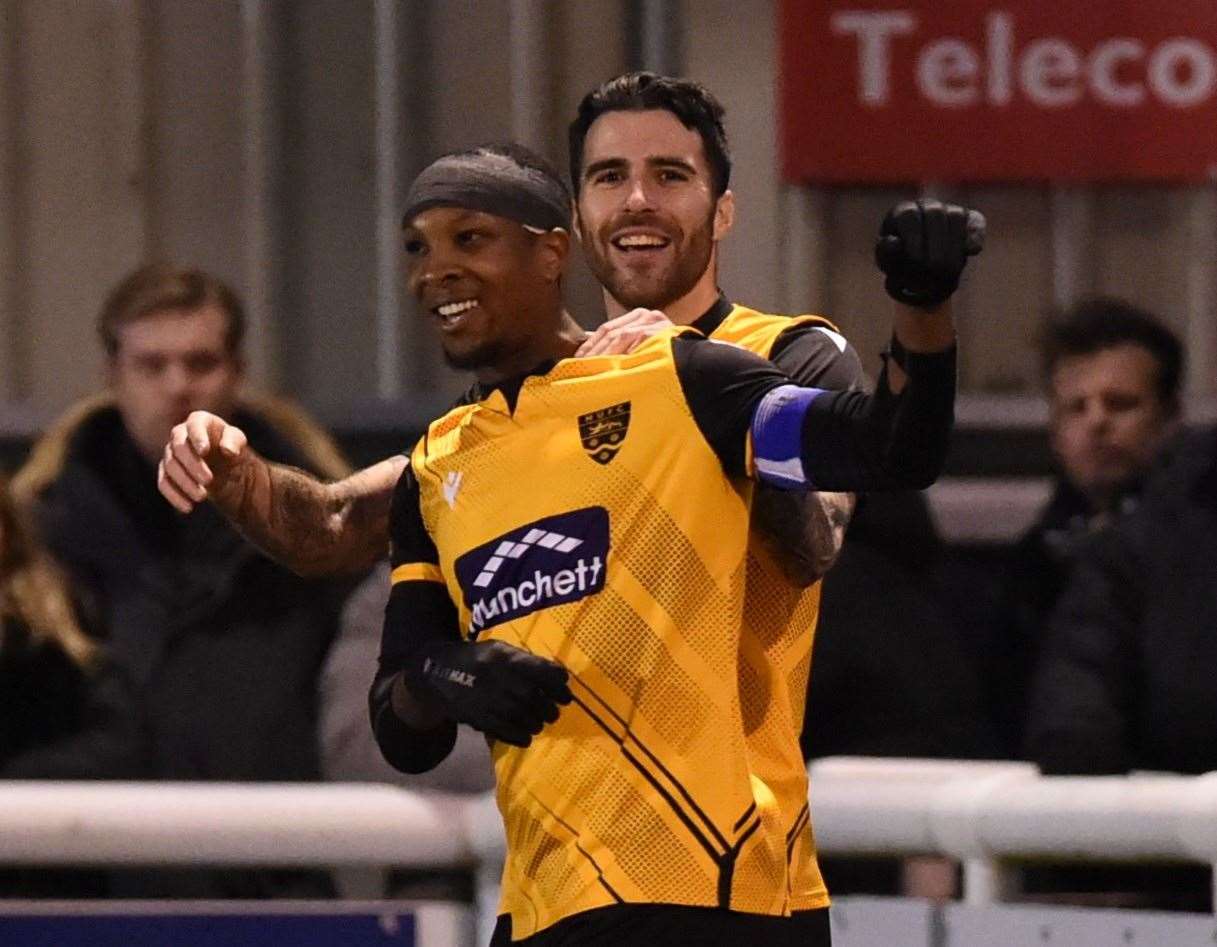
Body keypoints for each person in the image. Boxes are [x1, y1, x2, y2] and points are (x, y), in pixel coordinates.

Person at [368, 145, 975, 945]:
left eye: (468, 239)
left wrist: (919, 309)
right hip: (542, 908)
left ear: (552, 251)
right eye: (418, 247)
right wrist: (449, 673)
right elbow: (398, 717)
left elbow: (890, 448)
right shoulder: (434, 466)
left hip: (717, 891)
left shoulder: (686, 382)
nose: (434, 270)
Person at [13, 263, 354, 898]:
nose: (178, 386)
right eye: (152, 365)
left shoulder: (326, 534)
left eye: (201, 362)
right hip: (75, 894)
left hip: (273, 888)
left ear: (237, 372)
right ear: (112, 376)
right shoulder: (36, 552)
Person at [990, 298, 1182, 757]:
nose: (1097, 421)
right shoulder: (1028, 570)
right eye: (1076, 408)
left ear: (1169, 417)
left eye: (1121, 403)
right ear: (1055, 431)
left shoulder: (1193, 553)